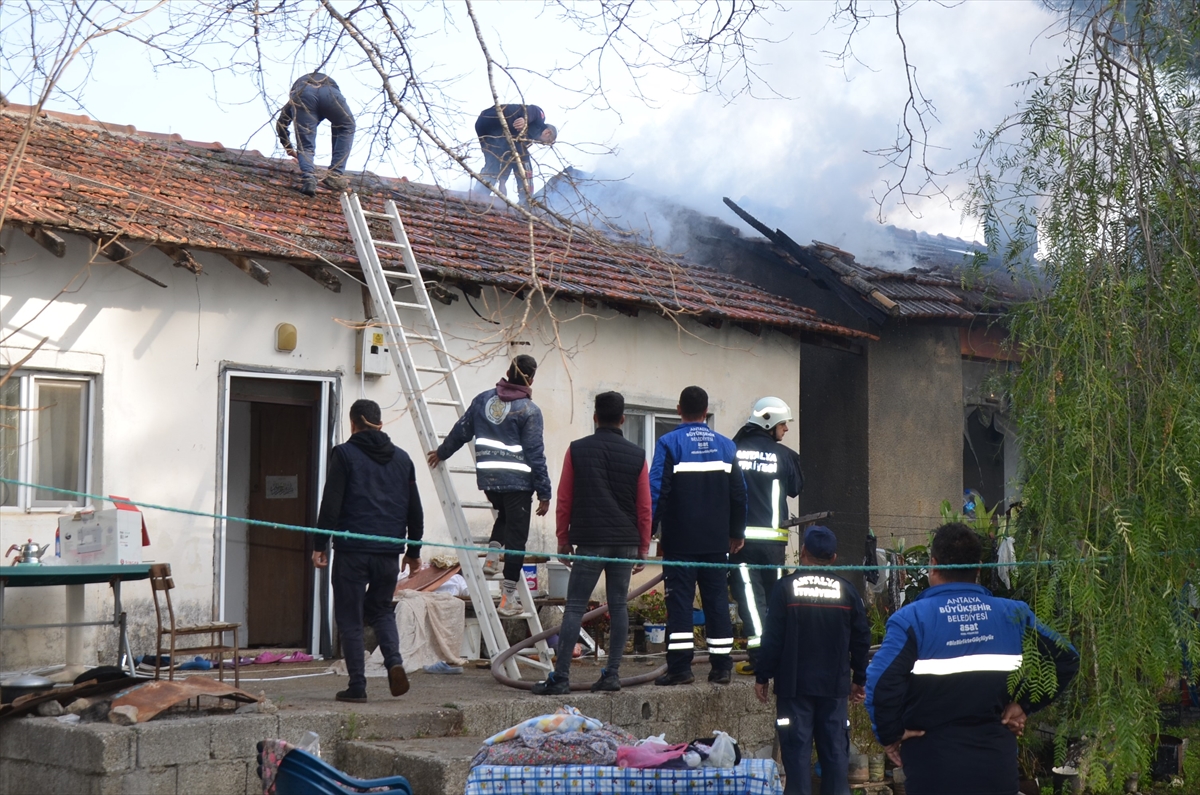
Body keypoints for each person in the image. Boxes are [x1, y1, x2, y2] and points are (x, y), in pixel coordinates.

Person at [866, 522, 1080, 795]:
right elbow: (1065, 658)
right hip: (996, 767)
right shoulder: (1013, 614)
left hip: (933, 767)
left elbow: (881, 682)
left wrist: (890, 734)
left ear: (933, 564)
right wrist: (1024, 704)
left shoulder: (912, 620)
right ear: (979, 568)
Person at [531, 391, 652, 695]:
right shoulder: (637, 455)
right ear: (623, 419)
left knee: (574, 607)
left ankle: (561, 677)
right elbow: (644, 507)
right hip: (625, 541)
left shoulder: (577, 450)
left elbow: (565, 498)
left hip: (590, 539)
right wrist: (643, 548)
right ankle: (612, 675)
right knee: (619, 604)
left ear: (595, 417)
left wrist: (563, 539)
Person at [312, 399, 423, 704]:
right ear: (380, 423)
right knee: (381, 610)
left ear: (353, 423)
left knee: (350, 616)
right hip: (388, 553)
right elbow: (415, 509)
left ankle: (357, 685)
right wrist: (413, 550)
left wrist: (320, 544)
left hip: (352, 552)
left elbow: (331, 503)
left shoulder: (344, 454)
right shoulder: (403, 459)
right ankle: (394, 662)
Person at [427, 355, 551, 618]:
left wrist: (441, 453)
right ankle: (508, 599)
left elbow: (461, 431)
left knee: (503, 515)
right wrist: (544, 492)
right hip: (518, 484)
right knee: (516, 539)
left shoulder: (482, 400)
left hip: (489, 481)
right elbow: (535, 453)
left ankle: (492, 558)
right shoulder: (529, 410)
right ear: (531, 379)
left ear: (507, 371)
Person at [754, 526, 870, 795]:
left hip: (794, 689)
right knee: (836, 757)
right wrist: (859, 678)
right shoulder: (847, 591)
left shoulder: (785, 588)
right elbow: (861, 638)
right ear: (833, 558)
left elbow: (772, 638)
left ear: (803, 551)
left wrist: (763, 675)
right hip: (834, 688)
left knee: (796, 758)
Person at [650, 385, 747, 686]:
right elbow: (739, 494)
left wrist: (648, 532)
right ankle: (722, 668)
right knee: (716, 601)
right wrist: (736, 532)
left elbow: (658, 491)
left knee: (679, 603)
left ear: (679, 409)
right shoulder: (726, 446)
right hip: (717, 542)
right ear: (706, 412)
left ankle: (680, 669)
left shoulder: (669, 443)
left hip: (680, 541)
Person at [730, 396, 804, 676]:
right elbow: (796, 488)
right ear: (769, 423)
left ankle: (760, 657)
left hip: (741, 542)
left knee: (750, 600)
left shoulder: (733, 450)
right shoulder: (785, 456)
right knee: (775, 599)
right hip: (774, 543)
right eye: (783, 424)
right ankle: (775, 654)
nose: (786, 429)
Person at [276, 72, 356, 197]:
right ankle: (335, 175)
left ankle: (309, 178)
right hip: (330, 92)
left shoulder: (295, 100)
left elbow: (281, 123)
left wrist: (288, 147)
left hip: (302, 93)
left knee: (305, 145)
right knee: (346, 126)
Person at [474, 103, 557, 205]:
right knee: (525, 162)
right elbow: (535, 110)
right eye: (546, 142)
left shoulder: (521, 141)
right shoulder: (540, 119)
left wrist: (502, 182)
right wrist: (525, 119)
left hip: (483, 125)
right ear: (548, 133)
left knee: (493, 162)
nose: (542, 144)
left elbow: (509, 157)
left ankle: (479, 194)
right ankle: (526, 200)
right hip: (498, 117)